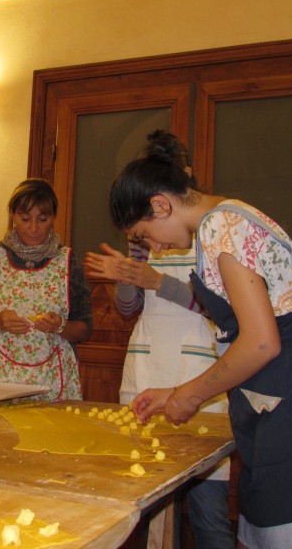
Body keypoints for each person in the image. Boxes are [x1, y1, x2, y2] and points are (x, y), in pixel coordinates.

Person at [108, 130, 292, 549]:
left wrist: (189, 394)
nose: (156, 248)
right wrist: (173, 393)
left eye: (146, 234)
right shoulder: (227, 217)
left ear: (161, 204)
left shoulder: (221, 226)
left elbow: (260, 343)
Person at [85, 135, 233, 549]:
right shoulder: (142, 237)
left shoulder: (214, 234)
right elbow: (130, 311)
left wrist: (159, 282)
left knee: (209, 513)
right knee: (145, 501)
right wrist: (127, 277)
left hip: (199, 376)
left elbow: (221, 310)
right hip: (148, 370)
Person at [0, 178, 92, 402]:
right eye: (25, 219)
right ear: (13, 215)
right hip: (0, 382)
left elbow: (84, 328)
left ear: (53, 218)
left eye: (42, 219)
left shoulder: (67, 262)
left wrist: (60, 326)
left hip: (54, 382)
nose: (33, 228)